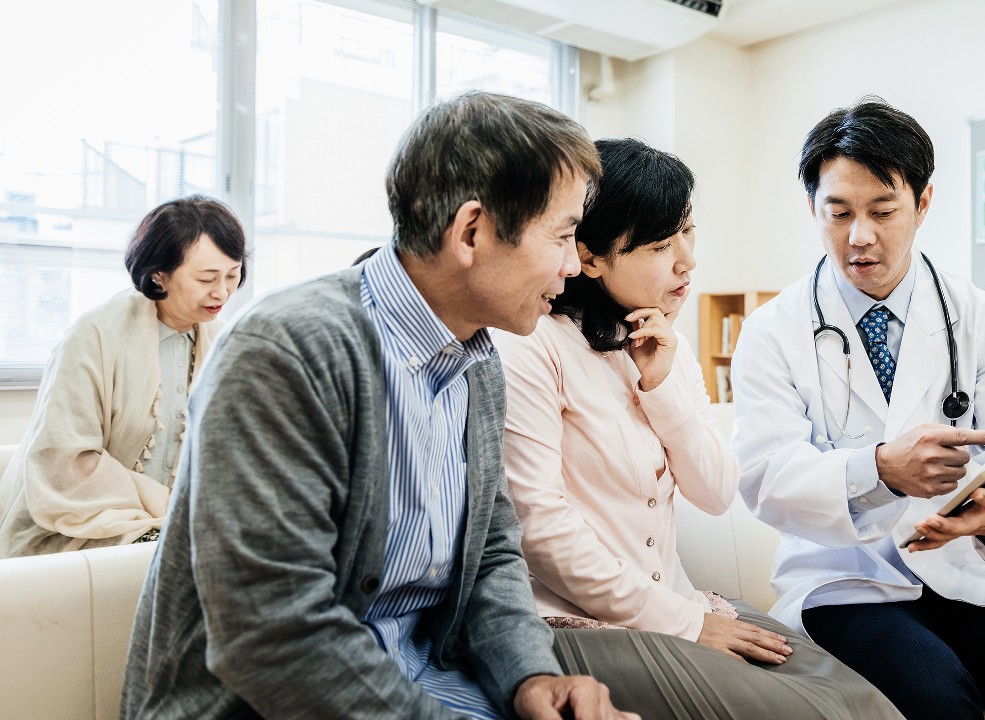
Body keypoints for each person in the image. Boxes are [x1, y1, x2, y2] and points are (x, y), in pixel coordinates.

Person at [121, 92, 636, 720]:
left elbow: (492, 555)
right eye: (563, 236)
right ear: (471, 231)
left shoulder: (478, 361)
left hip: (422, 679)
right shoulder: (288, 352)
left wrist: (532, 676)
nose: (571, 267)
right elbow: (274, 635)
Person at [729, 98, 985, 720]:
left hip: (969, 567)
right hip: (845, 578)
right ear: (812, 207)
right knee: (937, 697)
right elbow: (764, 478)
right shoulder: (772, 331)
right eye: (837, 212)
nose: (859, 236)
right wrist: (879, 470)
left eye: (883, 210)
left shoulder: (982, 317)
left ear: (923, 204)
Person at [494, 137, 903, 720]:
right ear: (588, 256)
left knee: (868, 703)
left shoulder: (669, 347)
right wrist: (686, 623)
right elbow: (541, 529)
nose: (687, 260)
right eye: (661, 244)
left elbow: (714, 494)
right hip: (572, 623)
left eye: (687, 232)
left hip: (676, 601)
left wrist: (661, 391)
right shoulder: (533, 345)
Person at [0, 196, 246, 558]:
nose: (222, 292)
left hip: (175, 525)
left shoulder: (224, 343)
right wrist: (167, 508)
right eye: (206, 278)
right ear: (158, 274)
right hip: (79, 527)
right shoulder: (93, 336)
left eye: (232, 274)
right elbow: (66, 463)